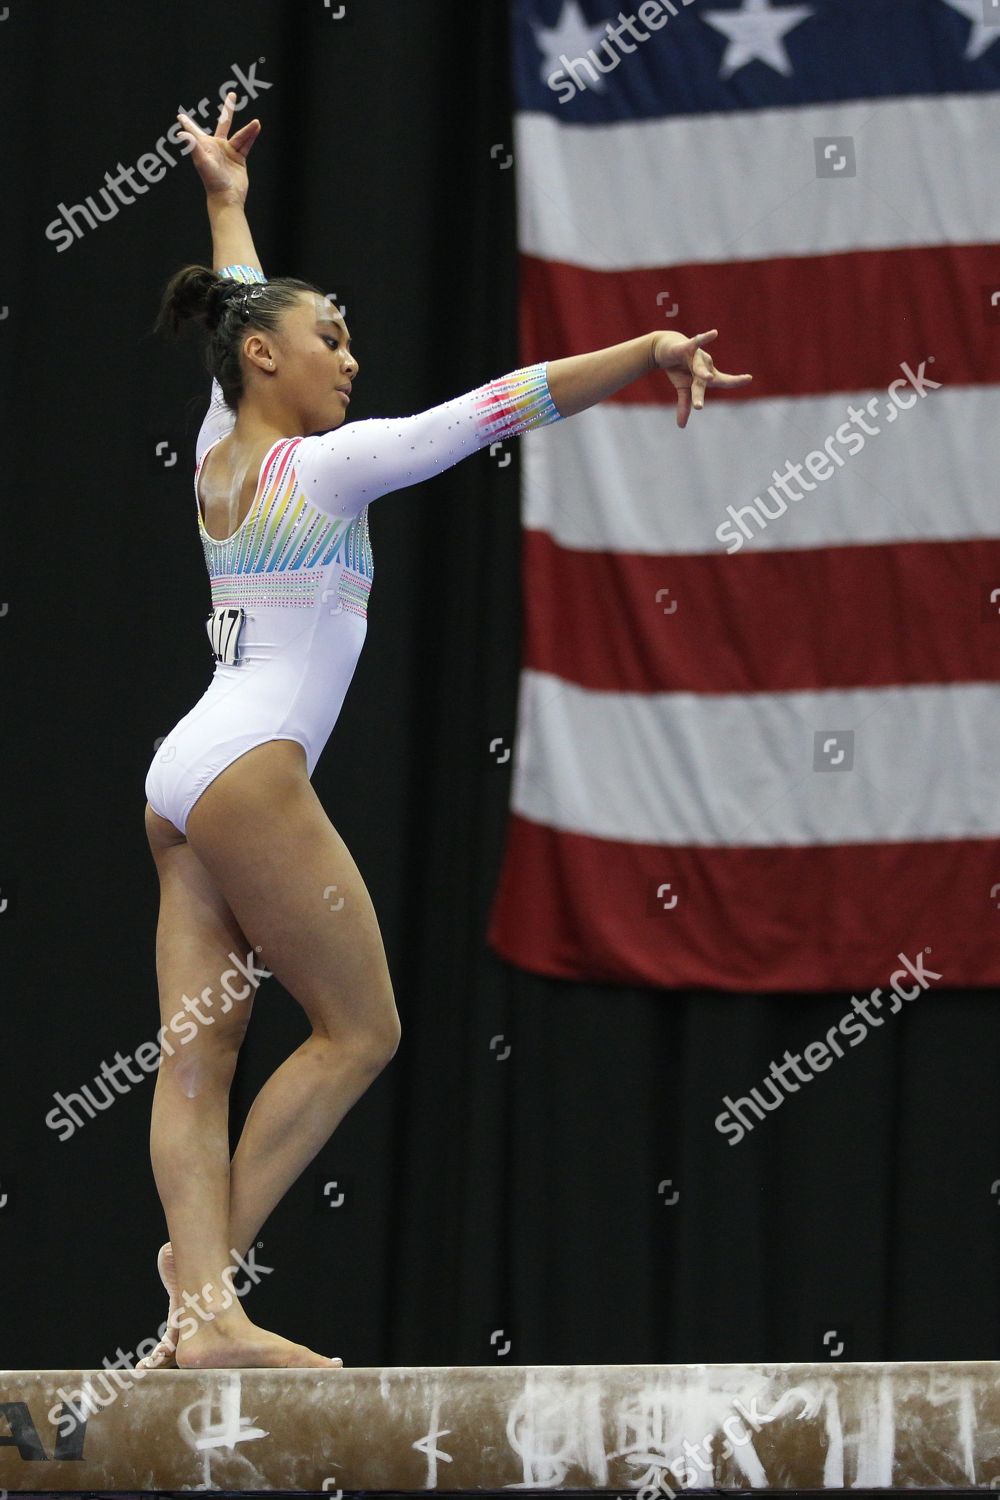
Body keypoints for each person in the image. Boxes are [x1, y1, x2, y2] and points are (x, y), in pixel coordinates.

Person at [138, 91, 753, 1371]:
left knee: (198, 1063)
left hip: (180, 776)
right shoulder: (329, 468)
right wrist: (643, 349)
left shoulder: (213, 453)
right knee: (361, 1031)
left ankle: (200, 1318)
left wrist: (227, 202)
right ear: (266, 358)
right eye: (331, 338)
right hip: (248, 771)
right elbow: (497, 406)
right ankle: (203, 1306)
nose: (350, 359)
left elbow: (240, 310)